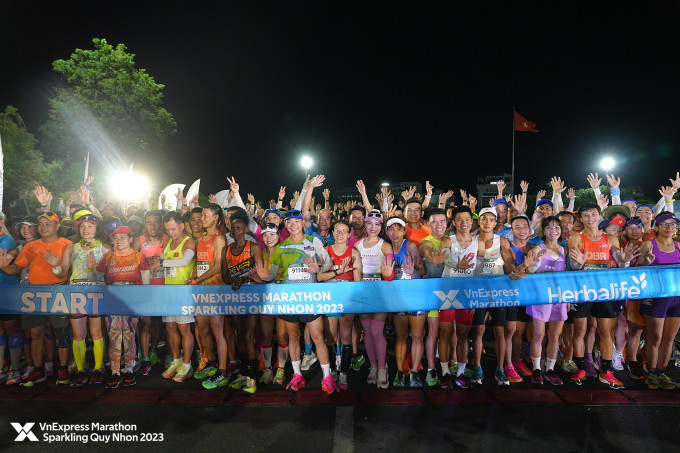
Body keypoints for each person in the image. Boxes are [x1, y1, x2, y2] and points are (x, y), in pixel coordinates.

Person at [255, 208, 338, 395]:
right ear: (285, 225)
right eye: (289, 222)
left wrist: (319, 267)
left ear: (302, 223)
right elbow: (272, 274)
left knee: (318, 337)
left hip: (309, 297)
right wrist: (264, 277)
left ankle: (327, 377)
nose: (293, 225)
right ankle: (297, 375)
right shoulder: (281, 247)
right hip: (289, 298)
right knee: (293, 337)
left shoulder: (313, 241)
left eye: (296, 222)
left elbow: (329, 264)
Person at [0, 207, 73, 387]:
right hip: (33, 293)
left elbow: (64, 271)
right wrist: (3, 266)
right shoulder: (30, 246)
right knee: (35, 333)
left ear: (57, 225)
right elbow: (15, 268)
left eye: (48, 224)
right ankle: (38, 370)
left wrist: (56, 266)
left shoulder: (67, 244)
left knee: (61, 333)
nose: (43, 227)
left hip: (58, 291)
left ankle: (63, 370)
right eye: (40, 224)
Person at [568, 203, 636, 389]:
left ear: (599, 216)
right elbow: (573, 266)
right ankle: (581, 368)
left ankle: (606, 372)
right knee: (580, 331)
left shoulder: (611, 237)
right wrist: (579, 263)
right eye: (586, 215)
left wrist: (625, 261)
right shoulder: (576, 238)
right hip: (582, 291)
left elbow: (620, 261)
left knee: (606, 332)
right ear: (581, 218)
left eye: (594, 214)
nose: (591, 218)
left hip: (604, 291)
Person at [45, 210, 110, 387]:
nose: (86, 230)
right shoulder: (71, 248)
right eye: (82, 227)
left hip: (96, 293)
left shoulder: (105, 249)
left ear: (96, 229)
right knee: (78, 335)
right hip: (76, 294)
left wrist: (93, 269)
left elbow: (107, 276)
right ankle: (81, 370)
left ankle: (98, 368)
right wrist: (55, 266)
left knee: (96, 333)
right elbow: (63, 272)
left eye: (90, 226)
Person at [513, 216, 567, 386]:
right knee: (539, 334)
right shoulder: (537, 249)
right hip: (540, 297)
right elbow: (528, 271)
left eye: (557, 227)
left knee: (555, 335)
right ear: (543, 231)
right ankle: (537, 369)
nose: (554, 231)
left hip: (559, 297)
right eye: (549, 228)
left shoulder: (563, 250)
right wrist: (531, 265)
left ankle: (549, 369)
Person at [94, 225, 150, 388]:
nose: (118, 241)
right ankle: (115, 371)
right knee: (113, 336)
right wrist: (91, 269)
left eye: (123, 237)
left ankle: (130, 369)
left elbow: (146, 284)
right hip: (112, 303)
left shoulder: (140, 257)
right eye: (115, 237)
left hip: (131, 304)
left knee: (129, 335)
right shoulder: (108, 257)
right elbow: (95, 277)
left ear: (131, 239)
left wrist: (142, 304)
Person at [222, 209, 265, 394]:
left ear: (246, 229)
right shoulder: (226, 249)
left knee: (248, 336)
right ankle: (244, 372)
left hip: (252, 295)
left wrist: (245, 280)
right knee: (239, 336)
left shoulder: (253, 247)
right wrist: (234, 280)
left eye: (239, 228)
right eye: (233, 229)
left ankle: (252, 377)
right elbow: (224, 275)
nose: (236, 231)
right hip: (235, 295)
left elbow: (261, 274)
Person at [316, 219, 363, 389]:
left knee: (345, 337)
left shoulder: (354, 253)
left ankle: (343, 373)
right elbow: (318, 277)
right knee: (330, 337)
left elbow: (358, 282)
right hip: (329, 297)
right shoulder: (324, 251)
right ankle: (333, 371)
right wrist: (337, 273)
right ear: (332, 233)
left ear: (349, 234)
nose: (340, 234)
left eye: (344, 231)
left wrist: (353, 305)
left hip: (346, 299)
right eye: (337, 231)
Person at [437, 206, 480, 389]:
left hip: (466, 296)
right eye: (459, 220)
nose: (464, 223)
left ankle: (461, 373)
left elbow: (479, 272)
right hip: (447, 293)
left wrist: (476, 299)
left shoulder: (479, 242)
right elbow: (446, 260)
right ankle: (445, 373)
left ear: (472, 221)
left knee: (463, 335)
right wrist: (458, 265)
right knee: (445, 334)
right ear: (453, 223)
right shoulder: (448, 240)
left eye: (467, 219)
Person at [637, 212, 680, 389]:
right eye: (665, 224)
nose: (669, 227)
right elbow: (638, 268)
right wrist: (646, 261)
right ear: (656, 227)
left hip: (676, 298)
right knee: (655, 337)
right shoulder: (649, 244)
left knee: (669, 338)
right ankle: (652, 372)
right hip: (656, 297)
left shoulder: (678, 246)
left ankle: (661, 373)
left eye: (672, 224)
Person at [191, 203, 231, 390]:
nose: (201, 219)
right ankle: (213, 363)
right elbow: (200, 263)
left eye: (205, 216)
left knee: (217, 330)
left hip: (215, 290)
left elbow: (217, 266)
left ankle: (222, 371)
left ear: (216, 218)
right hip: (201, 290)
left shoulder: (219, 238)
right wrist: (193, 277)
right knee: (203, 328)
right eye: (201, 216)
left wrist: (198, 280)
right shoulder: (202, 238)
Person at [355, 209, 395, 389]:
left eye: (377, 224)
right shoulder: (357, 244)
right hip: (363, 294)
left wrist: (387, 275)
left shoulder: (385, 246)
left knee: (377, 332)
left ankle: (381, 369)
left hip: (379, 294)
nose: (372, 227)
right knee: (367, 332)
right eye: (369, 223)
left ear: (381, 227)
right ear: (365, 224)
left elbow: (390, 273)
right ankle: (372, 366)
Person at [157, 211, 196, 383]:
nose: (171, 232)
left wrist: (162, 263)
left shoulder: (189, 241)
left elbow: (185, 261)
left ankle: (187, 364)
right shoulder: (168, 243)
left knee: (184, 329)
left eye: (173, 228)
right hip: (168, 292)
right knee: (170, 328)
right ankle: (176, 360)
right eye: (167, 230)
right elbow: (162, 262)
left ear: (181, 225)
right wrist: (158, 267)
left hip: (184, 292)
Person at [384, 216, 423, 387]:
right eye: (391, 229)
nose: (395, 232)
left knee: (417, 336)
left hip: (415, 296)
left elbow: (423, 269)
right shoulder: (386, 249)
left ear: (404, 231)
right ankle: (400, 372)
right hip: (398, 299)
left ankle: (414, 373)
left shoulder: (411, 245)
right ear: (386, 232)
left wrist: (412, 269)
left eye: (398, 229)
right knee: (400, 336)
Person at [133, 210, 167, 375]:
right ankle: (144, 355)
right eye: (149, 222)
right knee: (144, 323)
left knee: (158, 322)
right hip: (144, 289)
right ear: (144, 224)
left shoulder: (168, 240)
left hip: (163, 288)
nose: (152, 226)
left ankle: (153, 350)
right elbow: (131, 262)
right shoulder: (139, 241)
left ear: (161, 224)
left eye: (156, 222)